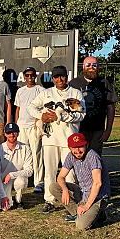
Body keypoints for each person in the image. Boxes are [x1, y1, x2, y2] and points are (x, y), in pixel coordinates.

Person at [28, 65, 85, 214]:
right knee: (50, 172)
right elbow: (31, 107)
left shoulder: (75, 93)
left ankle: (70, 201)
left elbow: (82, 114)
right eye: (56, 77)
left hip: (69, 140)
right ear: (53, 79)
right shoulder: (47, 93)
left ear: (67, 76)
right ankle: (49, 200)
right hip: (50, 138)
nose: (60, 79)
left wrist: (62, 116)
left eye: (62, 76)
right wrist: (42, 116)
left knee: (70, 173)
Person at [50, 133, 110, 231]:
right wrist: (65, 190)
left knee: (81, 226)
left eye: (80, 147)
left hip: (98, 196)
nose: (77, 151)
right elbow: (60, 177)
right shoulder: (70, 156)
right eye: (74, 147)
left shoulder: (93, 156)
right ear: (69, 148)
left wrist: (86, 206)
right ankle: (77, 213)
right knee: (54, 187)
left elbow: (97, 183)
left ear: (86, 145)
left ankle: (97, 213)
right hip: (83, 192)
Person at [69, 56, 118, 155]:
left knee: (95, 158)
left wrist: (108, 130)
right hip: (78, 128)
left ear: (98, 67)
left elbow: (110, 108)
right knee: (78, 158)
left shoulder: (104, 83)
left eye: (94, 65)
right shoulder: (74, 84)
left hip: (97, 130)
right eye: (88, 65)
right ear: (83, 67)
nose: (91, 67)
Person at [14, 67, 45, 193]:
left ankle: (39, 182)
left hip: (34, 126)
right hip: (22, 127)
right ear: (24, 76)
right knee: (22, 156)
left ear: (35, 76)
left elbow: (44, 109)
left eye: (32, 75)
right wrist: (16, 124)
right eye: (27, 75)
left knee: (36, 154)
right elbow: (18, 109)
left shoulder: (41, 90)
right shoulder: (20, 91)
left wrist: (41, 126)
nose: (30, 77)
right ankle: (23, 181)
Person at [0, 123, 33, 211]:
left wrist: (11, 174)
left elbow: (29, 171)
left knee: (21, 182)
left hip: (18, 177)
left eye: (14, 132)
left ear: (18, 133)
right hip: (4, 181)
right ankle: (2, 195)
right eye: (9, 133)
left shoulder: (26, 148)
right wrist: (2, 196)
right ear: (5, 134)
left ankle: (18, 200)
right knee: (5, 208)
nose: (11, 135)